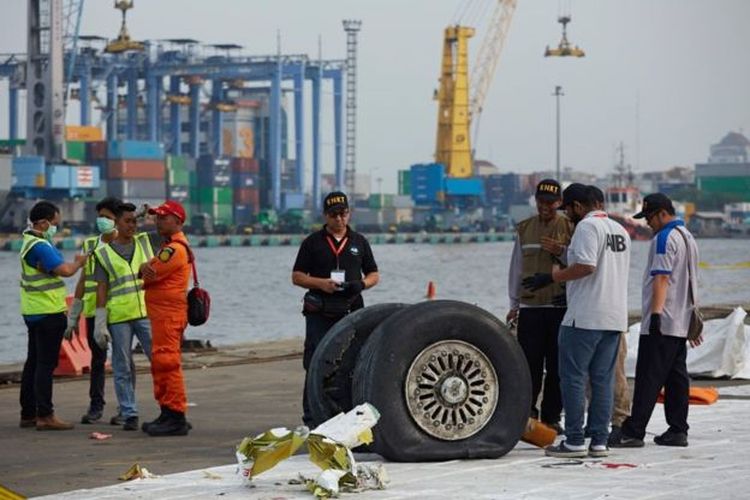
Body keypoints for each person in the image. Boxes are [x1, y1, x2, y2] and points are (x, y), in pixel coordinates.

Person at [527, 184, 631, 458]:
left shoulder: (587, 227)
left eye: (568, 209)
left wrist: (552, 277)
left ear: (577, 206)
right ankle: (599, 440)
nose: (567, 215)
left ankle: (574, 440)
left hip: (584, 317)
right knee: (602, 380)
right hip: (614, 317)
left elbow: (586, 266)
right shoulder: (619, 230)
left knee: (571, 378)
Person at [611, 193, 702, 448]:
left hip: (663, 320)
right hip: (681, 321)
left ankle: (633, 431)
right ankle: (678, 429)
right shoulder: (688, 237)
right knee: (676, 379)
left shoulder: (664, 238)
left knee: (648, 377)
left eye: (649, 217)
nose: (648, 223)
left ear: (662, 213)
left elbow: (662, 279)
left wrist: (656, 315)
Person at [291, 191, 380, 426]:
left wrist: (360, 284)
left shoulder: (359, 242)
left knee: (351, 362)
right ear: (325, 216)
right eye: (333, 215)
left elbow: (374, 274)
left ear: (348, 214)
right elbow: (297, 276)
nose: (339, 219)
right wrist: (321, 284)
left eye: (342, 214)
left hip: (352, 311)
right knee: (315, 362)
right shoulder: (313, 242)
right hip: (320, 312)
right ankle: (311, 417)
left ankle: (347, 413)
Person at [507, 179, 573, 433]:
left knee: (557, 366)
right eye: (540, 202)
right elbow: (516, 268)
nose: (544, 207)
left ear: (559, 203)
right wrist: (514, 303)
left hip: (559, 307)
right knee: (529, 364)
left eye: (550, 202)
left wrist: (561, 250)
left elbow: (580, 263)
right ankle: (528, 413)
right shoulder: (525, 229)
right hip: (531, 307)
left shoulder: (571, 228)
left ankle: (552, 416)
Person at [19, 200, 88, 430]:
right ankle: (45, 415)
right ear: (43, 222)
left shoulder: (29, 243)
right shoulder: (40, 246)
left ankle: (28, 413)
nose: (56, 227)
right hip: (48, 311)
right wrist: (79, 263)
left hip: (33, 311)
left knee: (33, 363)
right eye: (55, 224)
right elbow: (65, 271)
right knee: (45, 365)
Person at [92, 202, 156, 431]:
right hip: (119, 317)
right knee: (122, 367)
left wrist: (153, 212)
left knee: (159, 361)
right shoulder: (103, 254)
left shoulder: (145, 242)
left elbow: (170, 231)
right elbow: (101, 287)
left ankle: (168, 407)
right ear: (117, 223)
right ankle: (129, 413)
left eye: (135, 221)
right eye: (128, 221)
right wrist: (100, 321)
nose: (133, 226)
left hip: (144, 312)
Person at [64, 197, 121, 424]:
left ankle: (125, 409)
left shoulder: (126, 243)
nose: (102, 221)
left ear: (117, 220)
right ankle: (96, 406)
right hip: (91, 312)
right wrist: (73, 315)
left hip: (118, 312)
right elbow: (83, 279)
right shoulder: (90, 244)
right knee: (97, 361)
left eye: (107, 217)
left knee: (122, 361)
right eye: (100, 217)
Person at [139, 200, 193, 436]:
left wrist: (144, 267)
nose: (158, 221)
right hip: (164, 314)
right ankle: (168, 411)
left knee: (166, 363)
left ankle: (175, 415)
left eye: (163, 217)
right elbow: (146, 270)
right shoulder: (168, 246)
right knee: (162, 363)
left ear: (178, 221)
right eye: (157, 217)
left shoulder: (174, 249)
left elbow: (150, 274)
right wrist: (144, 267)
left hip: (168, 315)